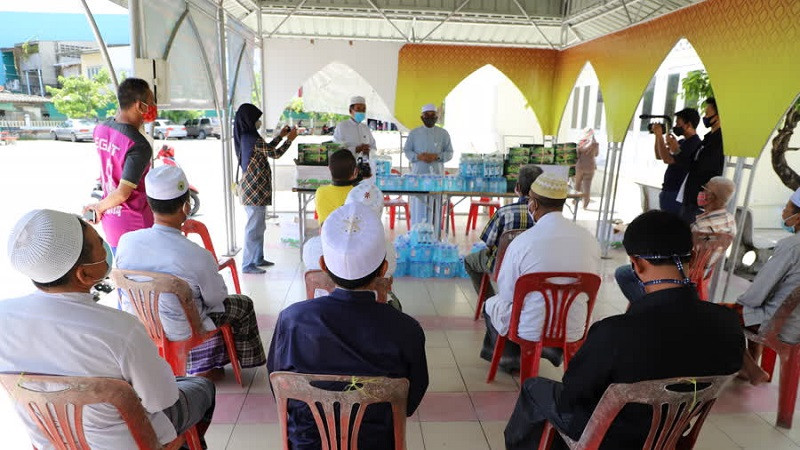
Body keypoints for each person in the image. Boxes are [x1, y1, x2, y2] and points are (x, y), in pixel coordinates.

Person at [504, 210, 743, 449]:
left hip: (609, 440)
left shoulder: (613, 334)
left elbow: (572, 396)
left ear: (636, 264)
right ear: (692, 255)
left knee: (534, 389)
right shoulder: (729, 324)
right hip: (671, 437)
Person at [2, 209, 216, 448]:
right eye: (99, 243)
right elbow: (162, 399)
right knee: (200, 387)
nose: (106, 248)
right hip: (132, 442)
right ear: (84, 274)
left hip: (54, 442)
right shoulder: (121, 329)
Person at [268, 203, 428, 450]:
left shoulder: (292, 320)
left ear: (323, 264)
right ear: (384, 269)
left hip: (307, 445)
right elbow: (410, 403)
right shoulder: (406, 330)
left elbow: (277, 389)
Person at [116, 165, 266, 379]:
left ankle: (205, 362)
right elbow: (217, 299)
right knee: (240, 303)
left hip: (141, 325)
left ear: (149, 205)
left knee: (199, 303)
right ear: (186, 206)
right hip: (183, 330)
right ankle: (235, 363)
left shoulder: (126, 242)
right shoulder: (197, 255)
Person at [481, 173, 601, 373]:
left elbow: (508, 294)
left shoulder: (522, 242)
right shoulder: (588, 239)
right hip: (573, 327)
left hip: (530, 328)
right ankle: (553, 348)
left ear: (533, 204)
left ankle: (510, 357)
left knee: (492, 304)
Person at [615, 175, 738, 304]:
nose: (701, 192)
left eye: (705, 189)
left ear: (711, 197)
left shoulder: (700, 227)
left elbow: (679, 253)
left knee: (623, 273)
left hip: (681, 273)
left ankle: (650, 306)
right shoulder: (730, 221)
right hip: (703, 274)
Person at [733, 187, 800, 385]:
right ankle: (752, 366)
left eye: (787, 208)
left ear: (797, 218)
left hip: (783, 323)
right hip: (794, 320)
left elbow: (757, 294)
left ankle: (752, 370)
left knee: (721, 317)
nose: (783, 212)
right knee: (748, 313)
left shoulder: (791, 246)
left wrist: (740, 305)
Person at [84, 78, 158, 252]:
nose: (154, 106)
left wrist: (98, 208)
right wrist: (97, 207)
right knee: (144, 277)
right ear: (140, 106)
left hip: (111, 221)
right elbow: (123, 193)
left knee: (125, 275)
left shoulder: (100, 129)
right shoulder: (138, 145)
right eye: (151, 102)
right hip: (135, 226)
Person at [235, 103, 297, 274]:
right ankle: (248, 264)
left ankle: (258, 258)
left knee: (259, 226)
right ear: (249, 120)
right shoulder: (250, 137)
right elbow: (274, 154)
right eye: (256, 119)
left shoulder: (250, 136)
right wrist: (289, 140)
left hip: (257, 190)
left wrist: (281, 136)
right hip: (254, 191)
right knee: (253, 228)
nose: (259, 122)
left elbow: (267, 148)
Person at [464, 164, 543, 299]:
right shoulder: (546, 215)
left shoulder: (504, 213)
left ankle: (488, 303)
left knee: (469, 261)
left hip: (502, 267)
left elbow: (489, 242)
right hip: (536, 267)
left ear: (517, 187)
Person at [402, 103, 454, 225]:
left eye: (433, 115)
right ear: (422, 117)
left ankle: (435, 238)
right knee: (418, 209)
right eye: (427, 115)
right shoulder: (414, 133)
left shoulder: (443, 133)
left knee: (435, 210)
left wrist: (437, 156)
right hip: (418, 178)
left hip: (436, 178)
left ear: (437, 117)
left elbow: (450, 153)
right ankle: (417, 236)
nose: (430, 118)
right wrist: (418, 156)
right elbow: (407, 150)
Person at [679, 97, 725, 223]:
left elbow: (708, 169)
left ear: (718, 116)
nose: (705, 117)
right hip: (690, 198)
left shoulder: (721, 142)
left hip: (701, 202)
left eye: (707, 114)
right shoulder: (707, 138)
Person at [654, 108, 702, 216]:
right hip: (668, 191)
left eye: (678, 123)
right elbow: (660, 156)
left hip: (676, 194)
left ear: (688, 124)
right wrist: (658, 138)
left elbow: (668, 159)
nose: (675, 126)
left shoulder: (694, 143)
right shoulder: (681, 142)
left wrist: (659, 136)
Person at [333, 95, 377, 180]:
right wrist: (356, 149)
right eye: (358, 109)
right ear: (350, 111)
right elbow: (336, 149)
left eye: (363, 110)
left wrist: (368, 150)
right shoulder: (342, 126)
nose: (361, 112)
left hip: (364, 170)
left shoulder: (365, 128)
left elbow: (373, 146)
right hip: (347, 170)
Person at [315, 149, 358, 225]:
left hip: (327, 236)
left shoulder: (320, 192)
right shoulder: (358, 193)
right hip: (353, 236)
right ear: (355, 172)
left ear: (329, 168)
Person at [574, 128, 599, 209]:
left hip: (580, 166)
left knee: (577, 184)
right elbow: (596, 154)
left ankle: (575, 201)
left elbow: (577, 155)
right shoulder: (596, 144)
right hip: (591, 167)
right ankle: (585, 205)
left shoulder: (581, 143)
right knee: (587, 186)